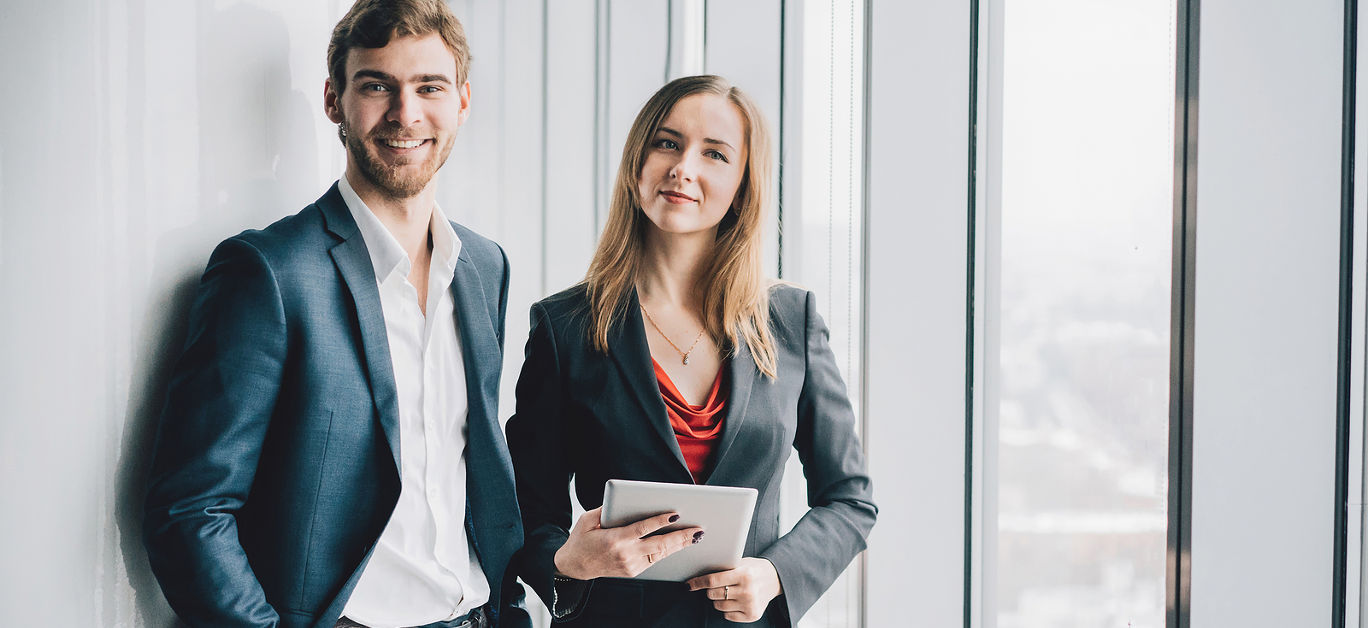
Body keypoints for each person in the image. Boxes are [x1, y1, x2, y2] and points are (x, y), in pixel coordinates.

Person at [142, 1, 530, 626]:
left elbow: (475, 464)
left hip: (475, 613)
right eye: (376, 85)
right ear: (333, 101)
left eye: (429, 87)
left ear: (461, 101)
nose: (406, 114)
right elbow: (190, 508)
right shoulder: (268, 272)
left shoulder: (485, 267)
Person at [506, 75, 877, 627]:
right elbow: (526, 510)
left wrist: (773, 575)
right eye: (668, 143)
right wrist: (566, 561)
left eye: (715, 154)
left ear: (742, 185)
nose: (684, 167)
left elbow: (849, 500)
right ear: (638, 161)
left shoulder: (790, 321)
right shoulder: (565, 328)